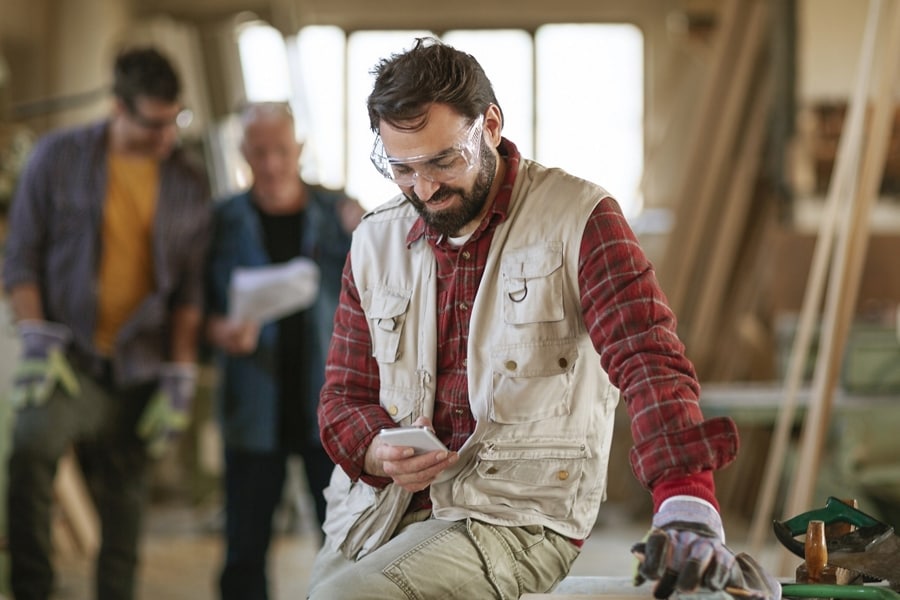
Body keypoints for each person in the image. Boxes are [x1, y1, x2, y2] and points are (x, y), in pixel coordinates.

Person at [308, 37, 780, 599]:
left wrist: (686, 498)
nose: (425, 188)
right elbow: (341, 399)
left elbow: (648, 359)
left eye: (442, 160)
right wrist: (374, 450)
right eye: (402, 168)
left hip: (517, 515)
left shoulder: (580, 219)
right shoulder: (372, 240)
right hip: (379, 510)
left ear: (489, 124)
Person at [3, 46, 211, 600]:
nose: (166, 137)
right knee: (29, 448)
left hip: (141, 367)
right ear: (119, 107)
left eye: (175, 121)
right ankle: (32, 588)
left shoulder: (188, 182)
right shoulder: (56, 158)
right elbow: (21, 257)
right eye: (153, 124)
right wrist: (37, 337)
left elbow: (190, 290)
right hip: (68, 360)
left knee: (125, 501)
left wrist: (181, 374)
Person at [205, 101, 362, 600]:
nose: (270, 164)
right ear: (242, 154)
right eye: (258, 152)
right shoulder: (222, 222)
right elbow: (196, 309)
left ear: (298, 150)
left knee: (344, 547)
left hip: (331, 405)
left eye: (279, 151)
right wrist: (222, 331)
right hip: (253, 405)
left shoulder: (339, 215)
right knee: (244, 551)